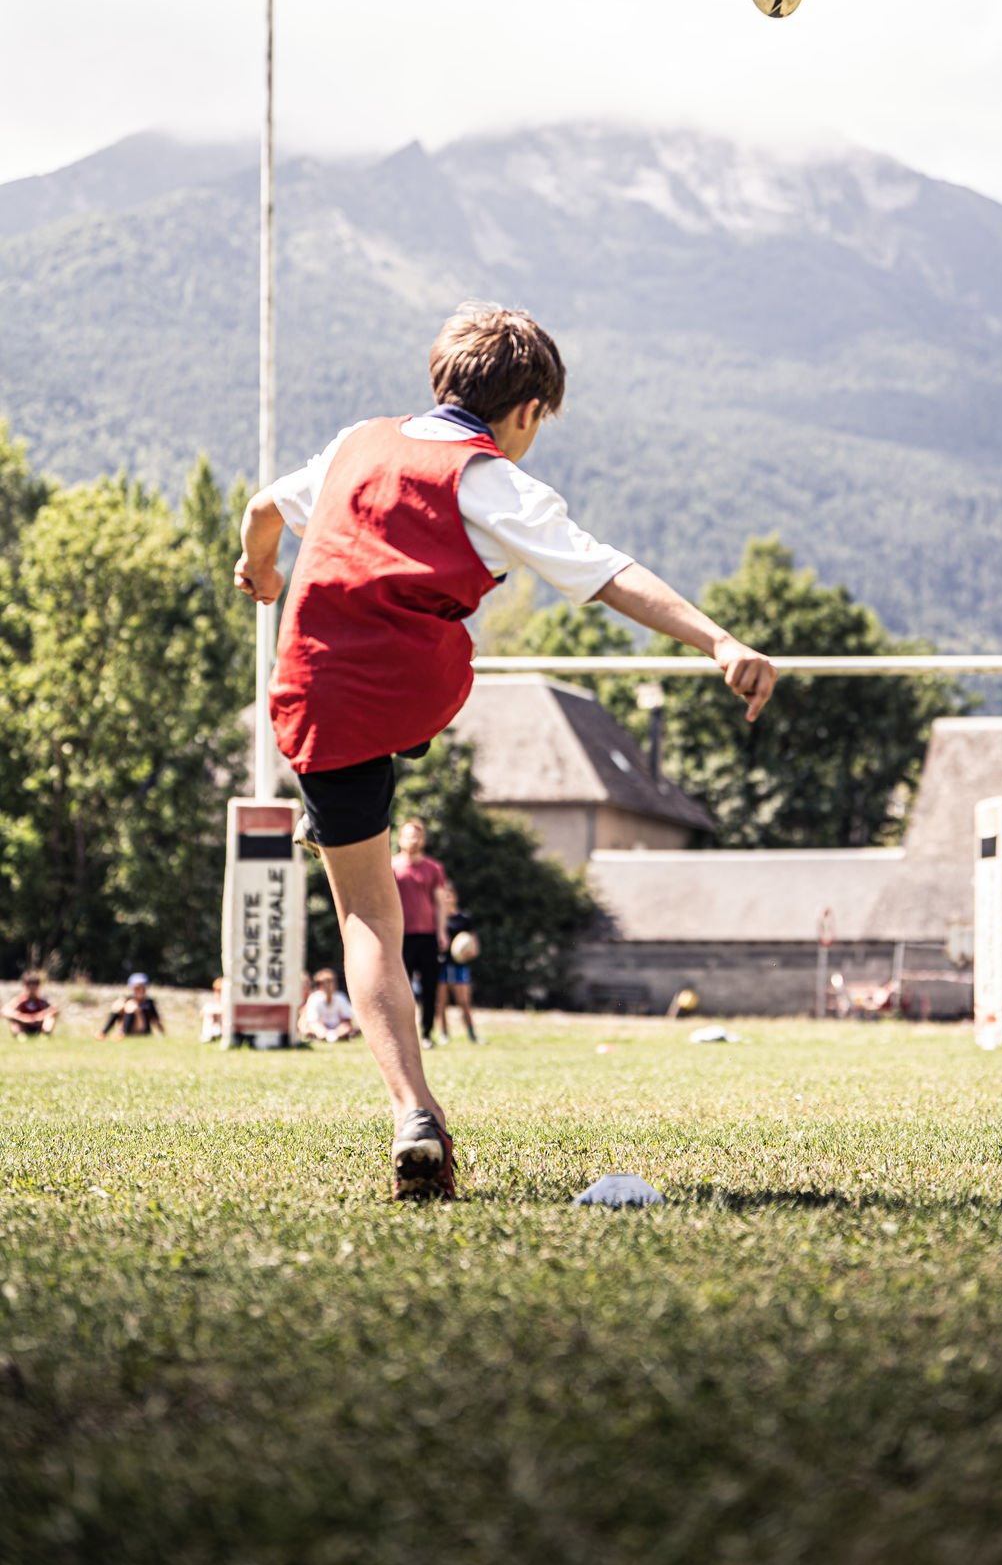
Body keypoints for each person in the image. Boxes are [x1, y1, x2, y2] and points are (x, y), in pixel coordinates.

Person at [234, 303, 776, 1201]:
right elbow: (608, 574)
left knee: (365, 916)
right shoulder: (489, 480)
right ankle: (416, 1110)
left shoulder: (353, 446)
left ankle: (414, 1111)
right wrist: (718, 640)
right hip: (407, 683)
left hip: (316, 694)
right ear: (526, 413)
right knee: (437, 657)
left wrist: (262, 570)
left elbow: (261, 510)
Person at [390, 820, 449, 1050]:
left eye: (416, 836)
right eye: (408, 836)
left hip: (427, 935)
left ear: (423, 840)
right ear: (400, 839)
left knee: (429, 988)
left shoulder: (433, 869)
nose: (412, 840)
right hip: (400, 936)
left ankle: (426, 1033)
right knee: (400, 987)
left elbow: (440, 903)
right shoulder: (391, 866)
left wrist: (442, 932)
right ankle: (401, 1035)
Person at [436, 884, 479, 1044]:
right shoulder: (437, 919)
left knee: (464, 1002)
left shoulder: (464, 919)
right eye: (444, 895)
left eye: (450, 894)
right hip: (441, 964)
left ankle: (471, 1033)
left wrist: (471, 952)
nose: (447, 898)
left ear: (455, 896)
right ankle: (443, 1034)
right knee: (441, 1002)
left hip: (459, 965)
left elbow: (474, 942)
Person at [298, 968, 359, 1043]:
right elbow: (313, 1021)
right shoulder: (314, 998)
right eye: (326, 983)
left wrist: (338, 1032)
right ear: (319, 985)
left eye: (331, 982)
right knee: (307, 1028)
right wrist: (325, 1033)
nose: (329, 986)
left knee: (350, 1028)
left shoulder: (340, 997)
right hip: (319, 1028)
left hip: (338, 1028)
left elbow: (346, 1020)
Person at [98, 973, 165, 1038]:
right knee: (119, 1005)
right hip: (129, 1028)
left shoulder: (148, 1003)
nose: (139, 990)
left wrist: (163, 1033)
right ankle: (104, 1032)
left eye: (141, 988)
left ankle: (123, 1033)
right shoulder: (127, 1000)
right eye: (136, 988)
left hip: (142, 1030)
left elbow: (156, 1020)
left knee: (132, 1007)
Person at [3, 971, 58, 1038]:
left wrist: (38, 1016)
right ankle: (20, 1036)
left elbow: (55, 1009)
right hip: (24, 1025)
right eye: (29, 988)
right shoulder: (19, 1000)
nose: (32, 991)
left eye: (34, 988)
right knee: (13, 1021)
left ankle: (45, 1035)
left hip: (38, 1025)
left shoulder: (42, 1000)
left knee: (50, 1018)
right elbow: (5, 1010)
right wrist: (23, 1017)